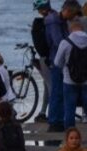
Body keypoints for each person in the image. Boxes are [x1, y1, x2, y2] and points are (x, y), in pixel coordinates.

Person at [45, 1, 80, 131]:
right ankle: (54, 121)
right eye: (74, 14)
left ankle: (58, 119)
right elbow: (58, 41)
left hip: (60, 59)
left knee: (59, 91)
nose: (74, 18)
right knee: (57, 91)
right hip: (57, 60)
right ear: (68, 11)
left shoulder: (60, 20)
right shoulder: (54, 21)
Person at [53, 16, 87, 130]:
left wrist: (66, 67)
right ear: (82, 29)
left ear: (70, 29)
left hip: (69, 80)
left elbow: (57, 62)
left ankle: (70, 137)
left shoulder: (65, 42)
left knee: (69, 109)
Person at [33, 1, 56, 121]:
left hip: (49, 58)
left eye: (39, 9)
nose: (38, 12)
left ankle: (53, 116)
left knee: (51, 86)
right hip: (52, 57)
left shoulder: (48, 21)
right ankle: (43, 111)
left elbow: (51, 41)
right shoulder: (56, 17)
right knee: (47, 85)